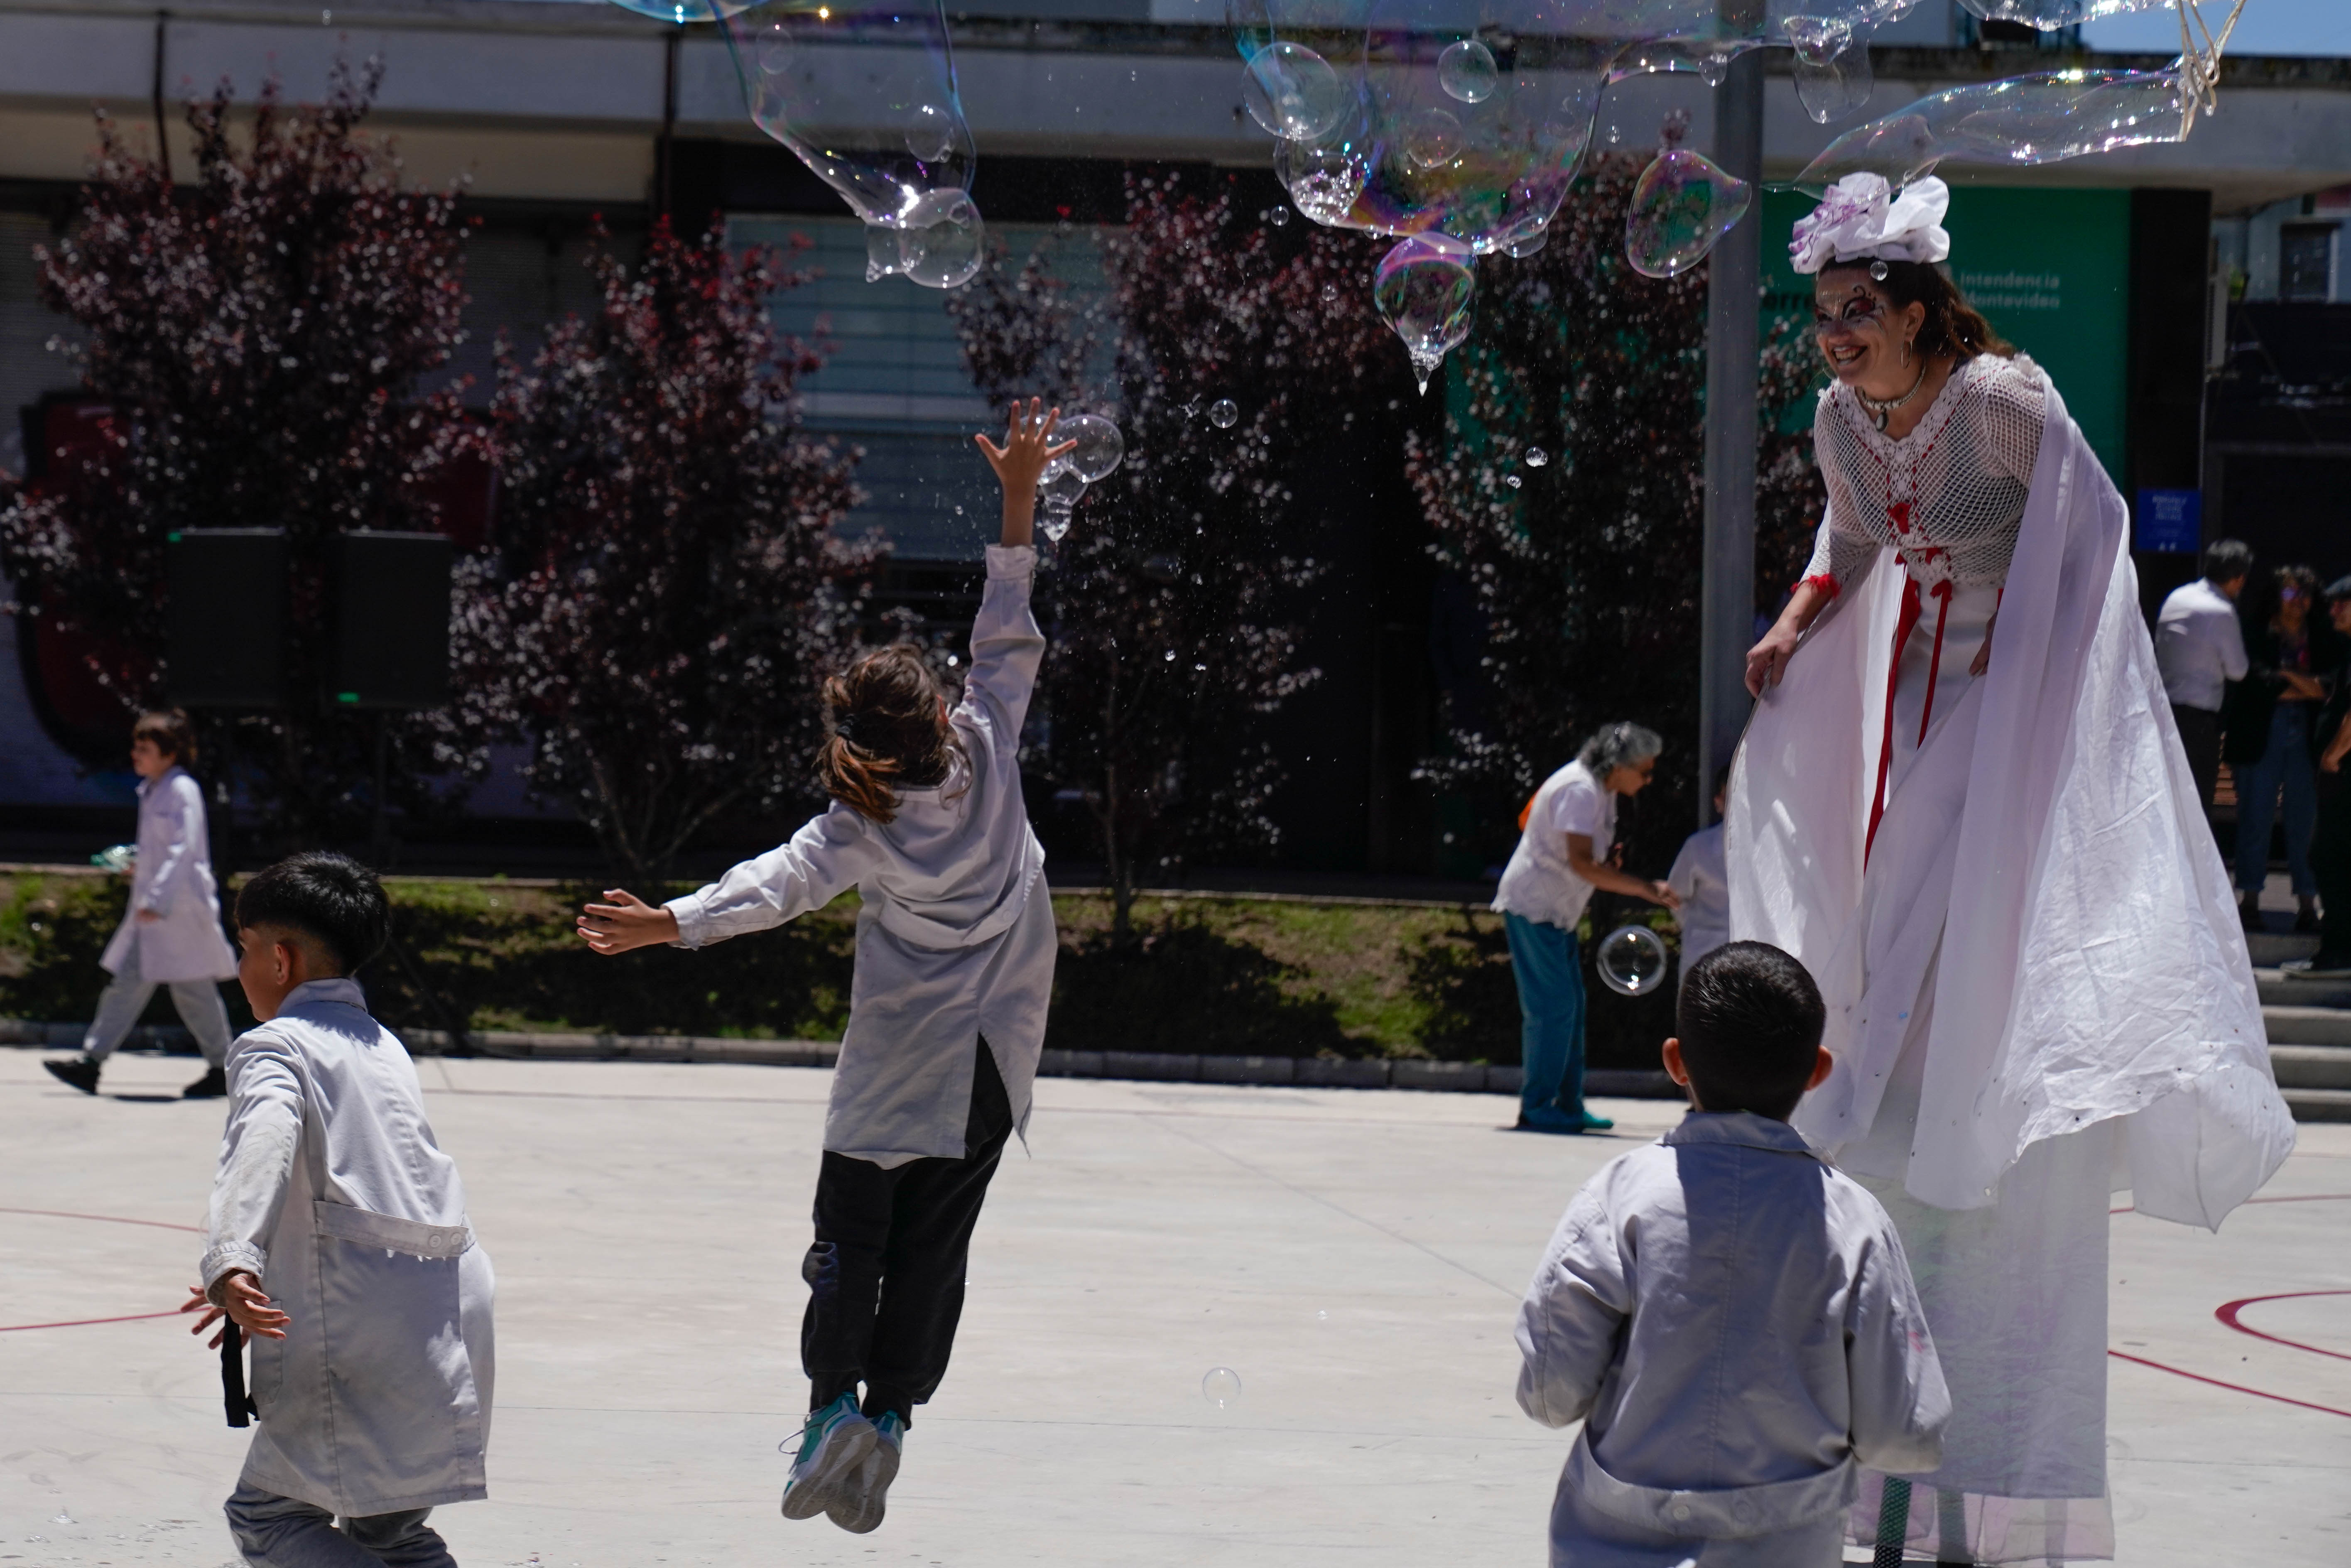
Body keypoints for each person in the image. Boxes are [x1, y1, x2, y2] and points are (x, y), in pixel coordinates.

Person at [1731, 173, 2292, 1564]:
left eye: (1860, 313)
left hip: (2011, 697)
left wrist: (2055, 693)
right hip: (1912, 706)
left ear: (1922, 312)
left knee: (1954, 890)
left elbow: (2094, 535)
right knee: (1890, 900)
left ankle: (1972, 1065)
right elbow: (1852, 543)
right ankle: (1898, 1072)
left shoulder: (2005, 403)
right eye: (1822, 316)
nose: (1836, 337)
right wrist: (1799, 626)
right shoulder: (1842, 419)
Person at [574, 399, 1071, 1535]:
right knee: (935, 1247)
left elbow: (771, 885)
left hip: (899, 1063)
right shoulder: (989, 737)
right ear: (941, 712)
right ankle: (892, 1420)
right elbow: (1008, 616)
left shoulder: (860, 826)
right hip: (997, 1057)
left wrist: (671, 923)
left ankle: (828, 1410)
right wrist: (1016, 496)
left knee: (852, 1237)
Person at [1514, 941, 1950, 1568]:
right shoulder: (1854, 1222)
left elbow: (1551, 1393)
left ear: (1676, 1062)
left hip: (1611, 1543)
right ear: (1818, 1070)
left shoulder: (1619, 1197)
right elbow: (1904, 1432)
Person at [179, 851, 495, 1568]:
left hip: (359, 1312)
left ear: (282, 961)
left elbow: (260, 1145)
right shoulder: (383, 1044)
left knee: (267, 1516)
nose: (240, 967)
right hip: (451, 1305)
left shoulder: (273, 1047)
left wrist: (233, 1259)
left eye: (245, 948)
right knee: (390, 1531)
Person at [1493, 723, 1680, 1135]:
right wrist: (1645, 888)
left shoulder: (1600, 790)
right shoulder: (1580, 789)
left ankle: (1567, 1103)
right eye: (1645, 772)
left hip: (1554, 912)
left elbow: (1584, 856)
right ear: (1619, 765)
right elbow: (1580, 863)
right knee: (1552, 1010)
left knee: (1570, 1007)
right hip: (1535, 907)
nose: (1648, 780)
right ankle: (1539, 1105)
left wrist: (1609, 863)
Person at [44, 708, 239, 1099]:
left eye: (145, 748)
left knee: (190, 993)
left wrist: (158, 898)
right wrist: (140, 868)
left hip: (176, 912)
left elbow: (185, 851)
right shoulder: (155, 789)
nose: (136, 755)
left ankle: (223, 1067)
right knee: (136, 985)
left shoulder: (181, 790)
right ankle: (92, 1061)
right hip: (157, 913)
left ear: (169, 754)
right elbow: (164, 850)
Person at [2224, 564, 2331, 933]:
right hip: (2263, 733)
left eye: (2303, 593)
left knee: (2305, 821)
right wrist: (2300, 683)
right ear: (2276, 595)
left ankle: (2307, 903)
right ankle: (2250, 900)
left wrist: (2285, 678)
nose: (2297, 601)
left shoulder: (2321, 633)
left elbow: (2328, 688)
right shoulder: (2256, 632)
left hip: (2306, 733)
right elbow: (2255, 684)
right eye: (2289, 592)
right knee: (2256, 816)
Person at [2153, 537, 2252, 826]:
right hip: (2197, 723)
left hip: (2165, 713)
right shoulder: (2220, 610)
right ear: (2238, 578)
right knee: (2196, 805)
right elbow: (2238, 670)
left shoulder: (2177, 596)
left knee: (2169, 802)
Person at [2292, 576, 2351, 978]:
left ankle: (2338, 950)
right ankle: (2337, 948)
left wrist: (2333, 754)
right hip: (2338, 779)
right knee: (2331, 857)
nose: (2333, 611)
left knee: (2328, 856)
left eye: (2340, 604)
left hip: (2344, 777)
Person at [1665, 769, 1731, 986]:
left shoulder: (1774, 851)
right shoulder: (1698, 848)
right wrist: (1697, 928)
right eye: (1729, 795)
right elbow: (1675, 897)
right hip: (1705, 954)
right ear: (1718, 802)